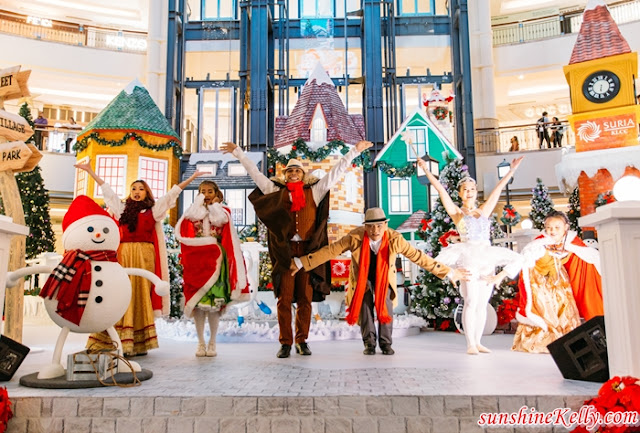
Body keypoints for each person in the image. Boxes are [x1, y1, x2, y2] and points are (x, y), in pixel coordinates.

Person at [221, 140, 373, 358]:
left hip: (309, 252)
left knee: (305, 298)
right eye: (289, 170)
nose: (293, 173)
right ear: (285, 174)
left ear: (303, 174)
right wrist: (238, 153)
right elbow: (254, 173)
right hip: (284, 251)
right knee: (283, 299)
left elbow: (336, 172)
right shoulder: (275, 190)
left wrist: (354, 152)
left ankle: (302, 340)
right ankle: (285, 342)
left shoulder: (316, 190)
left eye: (297, 171)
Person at [291, 208, 470, 355]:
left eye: (379, 226)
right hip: (362, 279)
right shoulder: (356, 237)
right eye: (370, 226)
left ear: (385, 225)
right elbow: (331, 251)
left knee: (386, 306)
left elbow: (418, 257)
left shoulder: (395, 239)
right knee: (366, 308)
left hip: (384, 279)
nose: (375, 231)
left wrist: (448, 272)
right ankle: (369, 344)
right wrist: (301, 262)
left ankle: (386, 344)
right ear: (365, 227)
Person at [75, 158, 205, 356]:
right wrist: (90, 171)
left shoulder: (153, 211)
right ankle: (112, 338)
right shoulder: (122, 210)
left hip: (145, 256)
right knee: (119, 293)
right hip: (124, 255)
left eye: (141, 189)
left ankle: (138, 342)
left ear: (146, 193)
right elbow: (107, 191)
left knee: (140, 293)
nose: (136, 191)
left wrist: (193, 177)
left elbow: (172, 194)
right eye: (134, 188)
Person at [417, 157, 525, 355]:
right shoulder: (457, 212)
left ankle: (478, 341)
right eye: (465, 189)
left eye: (472, 189)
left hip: (486, 255)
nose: (469, 192)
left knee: (483, 303)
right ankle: (470, 344)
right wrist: (426, 171)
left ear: (476, 192)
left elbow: (498, 190)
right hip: (468, 255)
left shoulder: (484, 210)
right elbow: (441, 190)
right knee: (471, 301)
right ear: (460, 193)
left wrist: (511, 170)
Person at [176, 180, 250, 357]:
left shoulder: (223, 212)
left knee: (214, 305)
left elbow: (223, 222)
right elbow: (186, 227)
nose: (206, 194)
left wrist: (215, 206)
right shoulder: (193, 214)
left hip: (216, 262)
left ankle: (212, 342)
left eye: (210, 191)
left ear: (216, 193)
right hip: (197, 262)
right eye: (202, 191)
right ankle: (200, 342)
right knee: (198, 303)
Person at [512, 211, 603, 353]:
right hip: (543, 287)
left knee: (566, 311)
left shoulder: (573, 241)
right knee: (546, 312)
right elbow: (527, 258)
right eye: (549, 227)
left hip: (563, 285)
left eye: (556, 227)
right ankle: (544, 342)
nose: (552, 231)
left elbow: (589, 257)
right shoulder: (540, 241)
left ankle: (567, 339)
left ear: (566, 227)